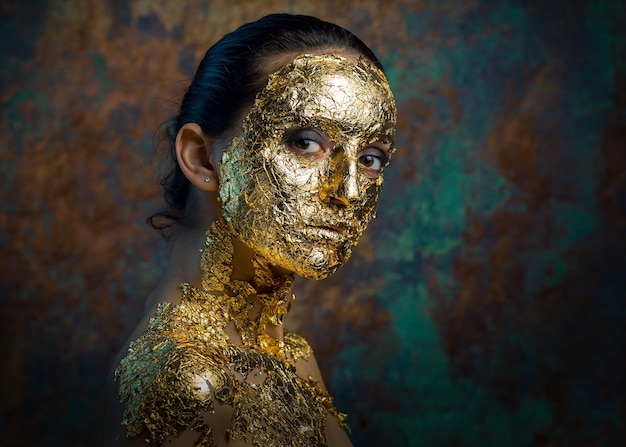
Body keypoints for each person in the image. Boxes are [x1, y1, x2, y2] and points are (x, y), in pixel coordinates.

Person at [104, 13, 397, 447]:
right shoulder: (185, 383)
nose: (349, 191)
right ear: (203, 159)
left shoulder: (293, 358)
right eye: (305, 142)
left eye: (371, 157)